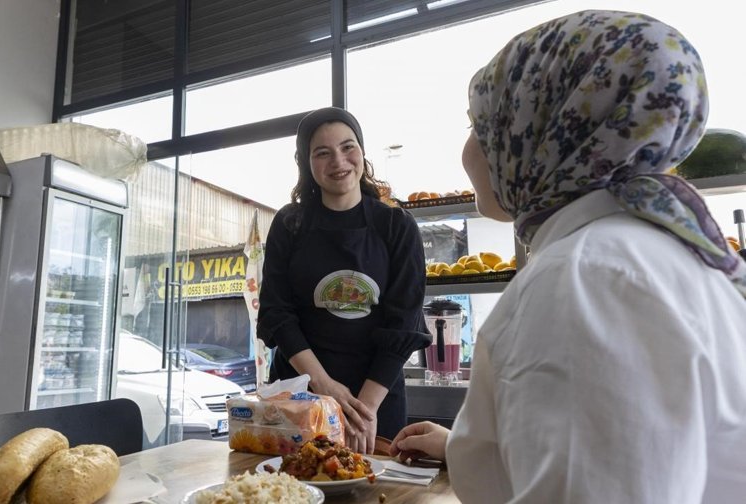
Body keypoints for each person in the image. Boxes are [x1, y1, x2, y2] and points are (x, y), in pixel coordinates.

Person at [390, 10, 746, 503]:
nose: (469, 147)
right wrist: (464, 446)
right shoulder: (650, 252)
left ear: (538, 131)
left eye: (480, 125)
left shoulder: (585, 281)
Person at [257, 107, 431, 454]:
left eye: (348, 147)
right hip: (301, 397)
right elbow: (278, 313)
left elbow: (403, 322)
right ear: (307, 163)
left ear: (363, 153)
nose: (339, 160)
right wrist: (324, 387)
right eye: (322, 152)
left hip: (376, 398)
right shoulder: (290, 225)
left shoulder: (397, 226)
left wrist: (360, 412)